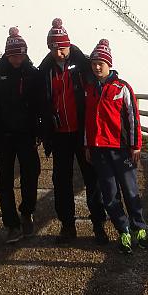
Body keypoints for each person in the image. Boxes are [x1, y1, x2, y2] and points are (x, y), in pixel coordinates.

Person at [38, 18, 109, 244]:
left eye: (62, 47)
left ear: (69, 44)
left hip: (83, 133)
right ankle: (67, 226)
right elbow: (41, 102)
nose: (59, 52)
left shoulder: (82, 64)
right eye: (54, 47)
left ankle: (99, 224)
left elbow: (101, 84)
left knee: (92, 179)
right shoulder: (45, 70)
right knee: (61, 181)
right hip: (60, 135)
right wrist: (44, 129)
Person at [84, 39, 148, 254]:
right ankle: (123, 230)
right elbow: (88, 120)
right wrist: (87, 145)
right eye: (94, 62)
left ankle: (139, 228)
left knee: (130, 189)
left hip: (121, 148)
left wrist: (136, 145)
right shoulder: (90, 89)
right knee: (109, 194)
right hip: (99, 150)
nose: (96, 66)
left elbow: (133, 117)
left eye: (101, 63)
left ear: (109, 64)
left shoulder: (122, 88)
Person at [0, 27, 42, 243]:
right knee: (4, 181)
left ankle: (27, 212)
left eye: (21, 54)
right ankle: (11, 224)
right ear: (7, 54)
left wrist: (40, 131)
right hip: (4, 135)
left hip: (27, 134)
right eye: (14, 54)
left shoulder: (33, 73)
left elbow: (40, 105)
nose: (18, 58)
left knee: (31, 174)